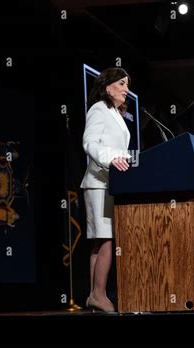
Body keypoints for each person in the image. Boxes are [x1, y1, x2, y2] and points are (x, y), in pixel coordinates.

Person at [80, 67, 132, 312]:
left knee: (100, 242)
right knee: (107, 240)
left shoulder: (116, 114)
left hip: (111, 183)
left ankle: (94, 295)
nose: (126, 89)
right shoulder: (98, 109)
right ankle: (100, 294)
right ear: (108, 85)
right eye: (121, 84)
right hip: (98, 181)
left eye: (127, 85)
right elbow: (89, 142)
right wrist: (109, 159)